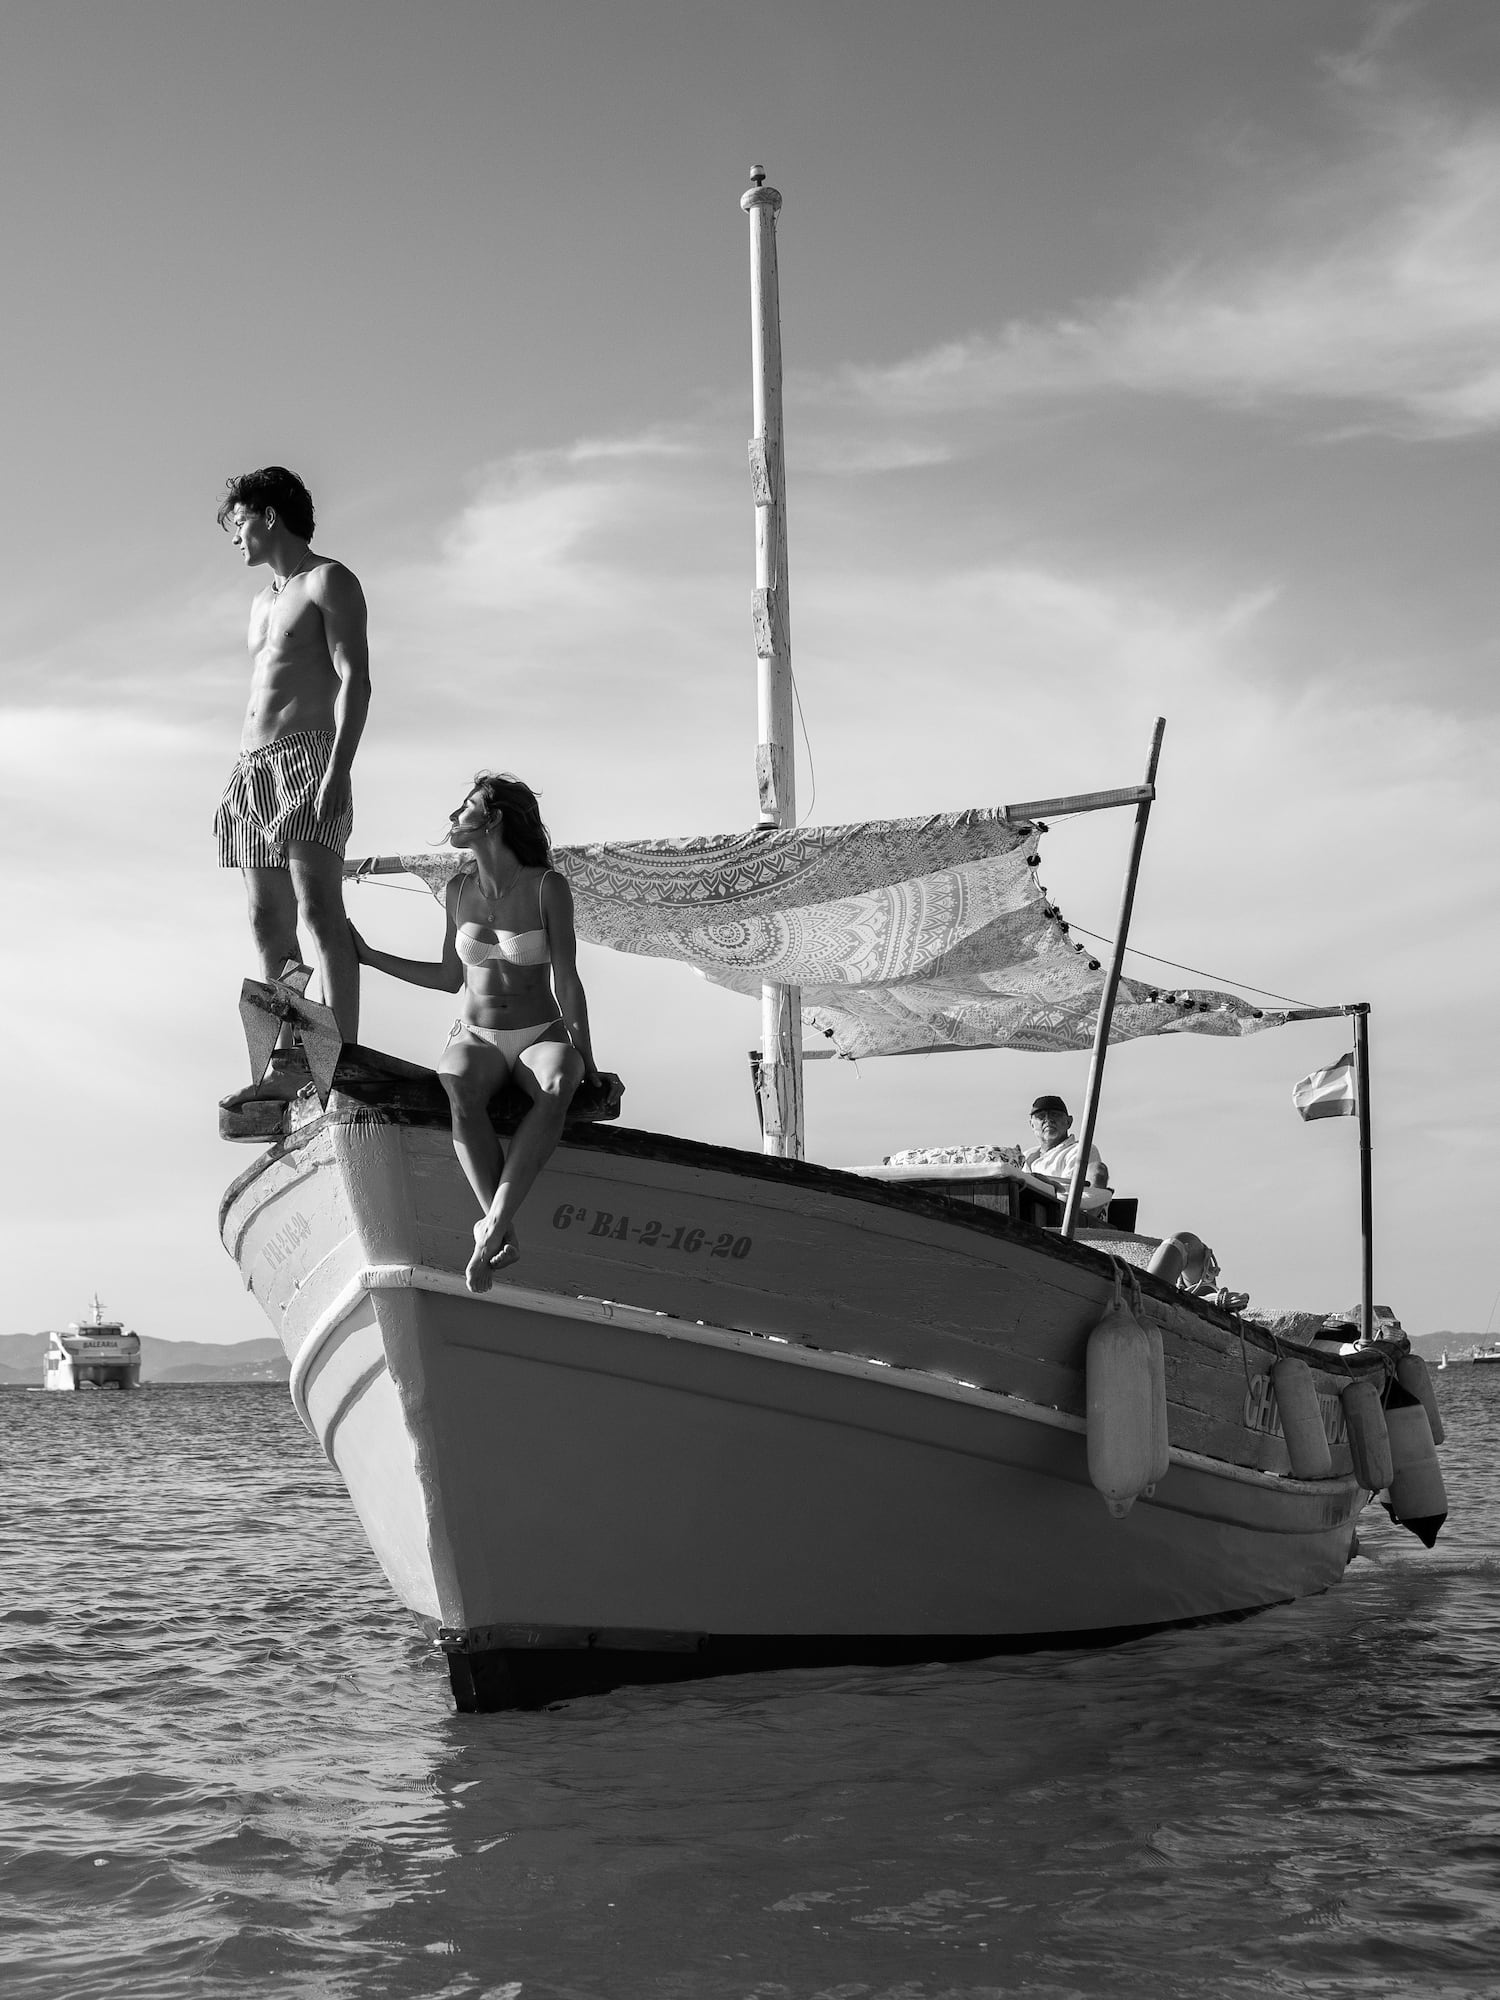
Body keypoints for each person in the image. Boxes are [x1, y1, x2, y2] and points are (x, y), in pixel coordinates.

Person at [350, 771, 602, 1292]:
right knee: (458, 1084)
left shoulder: (545, 887)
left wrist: (585, 1053)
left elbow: (567, 976)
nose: (452, 818)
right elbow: (448, 978)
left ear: (494, 818)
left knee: (559, 1084)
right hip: (476, 1034)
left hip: (539, 1031)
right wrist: (371, 958)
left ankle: (490, 1228)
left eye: (463, 807)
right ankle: (498, 1227)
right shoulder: (458, 889)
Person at [215, 466, 370, 1104]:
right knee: (265, 918)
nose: (235, 538)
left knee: (318, 910)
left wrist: (339, 767)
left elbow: (355, 679)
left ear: (269, 515)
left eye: (239, 521)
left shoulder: (329, 580)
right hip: (251, 771)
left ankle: (345, 1058)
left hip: (308, 758)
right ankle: (294, 1056)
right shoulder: (261, 601)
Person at [1024, 1095, 1110, 1205]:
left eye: (1055, 1115)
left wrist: (1043, 1184)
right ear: (1031, 1125)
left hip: (1063, 1217)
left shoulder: (1081, 1150)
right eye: (1041, 1117)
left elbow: (1069, 1195)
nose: (1048, 1120)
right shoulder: (1025, 1156)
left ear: (1069, 1122)